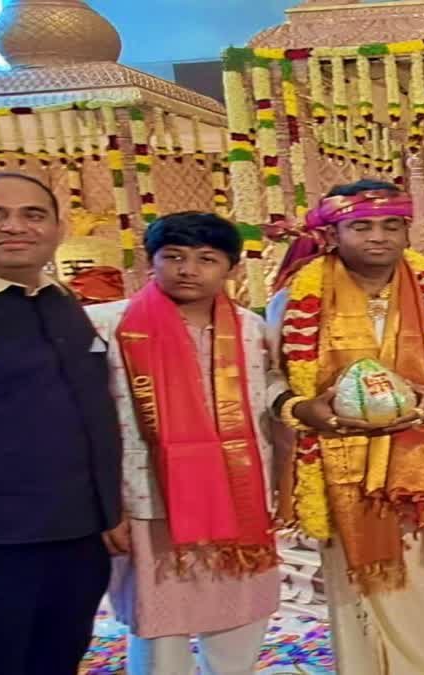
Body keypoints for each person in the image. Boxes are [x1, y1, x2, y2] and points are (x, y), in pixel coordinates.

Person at [267, 180, 424, 674]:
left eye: (392, 225)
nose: (379, 237)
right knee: (357, 594)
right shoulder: (297, 297)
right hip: (340, 466)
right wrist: (305, 410)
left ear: (406, 231)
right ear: (333, 234)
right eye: (362, 226)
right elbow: (270, 377)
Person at [86, 212, 283, 674]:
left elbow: (274, 410)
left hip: (239, 496)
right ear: (150, 261)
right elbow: (84, 417)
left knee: (241, 611)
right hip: (148, 497)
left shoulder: (254, 331)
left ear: (231, 268)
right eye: (173, 257)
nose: (188, 270)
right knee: (161, 624)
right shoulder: (105, 325)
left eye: (206, 259)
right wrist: (104, 506)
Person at [0, 173, 122, 674]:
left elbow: (91, 407)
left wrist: (109, 509)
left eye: (33, 215)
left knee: (56, 657)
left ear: (58, 229)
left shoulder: (59, 301)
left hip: (76, 536)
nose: (14, 227)